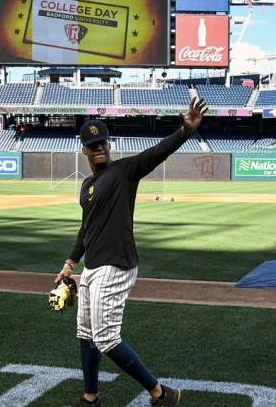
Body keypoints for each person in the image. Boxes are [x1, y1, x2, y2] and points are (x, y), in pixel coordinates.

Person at [55, 97, 208, 407]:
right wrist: (70, 263)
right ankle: (90, 397)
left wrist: (185, 131)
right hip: (92, 268)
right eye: (93, 144)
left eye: (102, 143)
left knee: (107, 339)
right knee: (85, 334)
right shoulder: (86, 186)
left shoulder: (125, 171)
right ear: (84, 149)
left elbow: (155, 153)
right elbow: (86, 228)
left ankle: (160, 393)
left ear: (108, 144)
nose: (99, 148)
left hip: (116, 265)